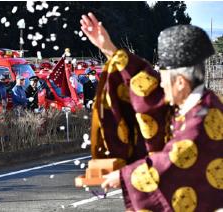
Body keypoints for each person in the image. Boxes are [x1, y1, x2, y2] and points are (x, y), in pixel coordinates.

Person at [81, 12, 223, 210]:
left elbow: (171, 160)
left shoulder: (206, 116)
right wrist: (108, 48)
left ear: (180, 82)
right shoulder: (187, 103)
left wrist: (122, 176)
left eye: (164, 79)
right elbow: (144, 85)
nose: (161, 85)